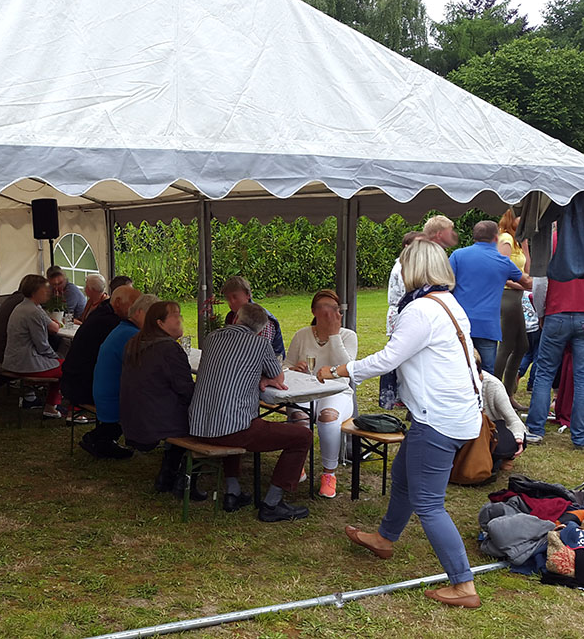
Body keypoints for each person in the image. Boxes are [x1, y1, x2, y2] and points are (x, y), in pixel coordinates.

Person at [318, 238, 483, 609]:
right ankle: (384, 538)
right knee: (404, 476)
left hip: (437, 418)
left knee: (429, 504)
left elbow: (388, 358)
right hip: (453, 413)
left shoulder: (420, 310)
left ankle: (463, 584)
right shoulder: (446, 302)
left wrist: (340, 370)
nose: (401, 272)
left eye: (404, 265)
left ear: (415, 269)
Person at [190, 303, 312, 523]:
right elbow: (278, 378)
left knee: (234, 416)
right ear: (262, 328)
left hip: (198, 425)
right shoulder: (260, 344)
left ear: (236, 318)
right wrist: (262, 378)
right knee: (302, 436)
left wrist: (256, 377)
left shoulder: (212, 338)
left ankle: (233, 491)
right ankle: (272, 503)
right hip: (231, 431)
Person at [526, 237, 584, 448]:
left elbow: (540, 284)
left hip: (555, 315)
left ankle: (535, 430)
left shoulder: (549, 242)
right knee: (583, 378)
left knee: (544, 373)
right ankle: (581, 437)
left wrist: (541, 312)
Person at [283, 289, 357, 499]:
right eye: (323, 308)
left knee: (328, 417)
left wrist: (334, 335)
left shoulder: (348, 336)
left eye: (333, 308)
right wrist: (294, 369)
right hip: (306, 390)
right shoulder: (302, 335)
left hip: (337, 390)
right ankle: (298, 464)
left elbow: (347, 368)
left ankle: (329, 473)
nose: (328, 313)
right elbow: (285, 366)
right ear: (314, 311)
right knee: (299, 415)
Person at [121, 301, 196, 492]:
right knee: (203, 418)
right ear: (160, 323)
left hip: (134, 417)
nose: (180, 319)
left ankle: (168, 474)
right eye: (175, 315)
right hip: (156, 420)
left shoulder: (135, 343)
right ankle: (185, 478)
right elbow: (186, 390)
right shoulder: (168, 349)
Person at [81, 293, 158, 459]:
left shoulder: (123, 329)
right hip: (114, 400)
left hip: (103, 393)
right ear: (140, 313)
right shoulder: (132, 336)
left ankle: (101, 438)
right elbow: (150, 368)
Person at [449, 220, 531, 374]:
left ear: (474, 236)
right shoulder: (503, 261)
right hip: (487, 325)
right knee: (486, 372)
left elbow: (446, 283)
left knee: (457, 369)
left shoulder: (458, 255)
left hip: (459, 322)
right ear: (496, 237)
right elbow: (527, 282)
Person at [60, 285, 141, 407]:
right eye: (133, 305)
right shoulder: (111, 322)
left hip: (73, 380)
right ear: (118, 302)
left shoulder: (102, 312)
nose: (135, 310)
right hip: (83, 386)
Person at [3, 275, 66, 418]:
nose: (48, 292)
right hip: (26, 363)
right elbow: (42, 345)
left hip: (12, 361)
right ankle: (51, 406)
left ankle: (46, 402)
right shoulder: (34, 312)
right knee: (66, 367)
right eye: (44, 290)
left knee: (62, 365)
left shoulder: (21, 307)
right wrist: (55, 358)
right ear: (34, 292)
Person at [493, 209, 532, 408]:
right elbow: (501, 272)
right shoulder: (505, 239)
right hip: (507, 296)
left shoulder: (516, 240)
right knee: (507, 345)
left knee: (522, 345)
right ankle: (495, 394)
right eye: (521, 217)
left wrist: (524, 244)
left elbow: (528, 271)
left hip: (517, 296)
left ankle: (507, 394)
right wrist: (522, 285)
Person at [478, 352, 526, 472]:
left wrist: (519, 438)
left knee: (506, 445)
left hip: (491, 427)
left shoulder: (493, 385)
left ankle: (504, 457)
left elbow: (514, 420)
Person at [222, 276, 285, 359]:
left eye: (235, 297)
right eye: (228, 298)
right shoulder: (230, 316)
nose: (231, 302)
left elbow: (261, 351)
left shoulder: (262, 318)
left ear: (248, 295)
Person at [386, 232, 423, 337]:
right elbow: (407, 293)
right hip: (401, 312)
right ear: (407, 246)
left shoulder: (411, 265)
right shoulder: (402, 267)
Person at [517, 291, 542, 393]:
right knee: (537, 356)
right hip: (536, 327)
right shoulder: (535, 291)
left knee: (528, 354)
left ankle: (518, 372)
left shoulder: (521, 292)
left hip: (525, 328)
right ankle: (532, 383)